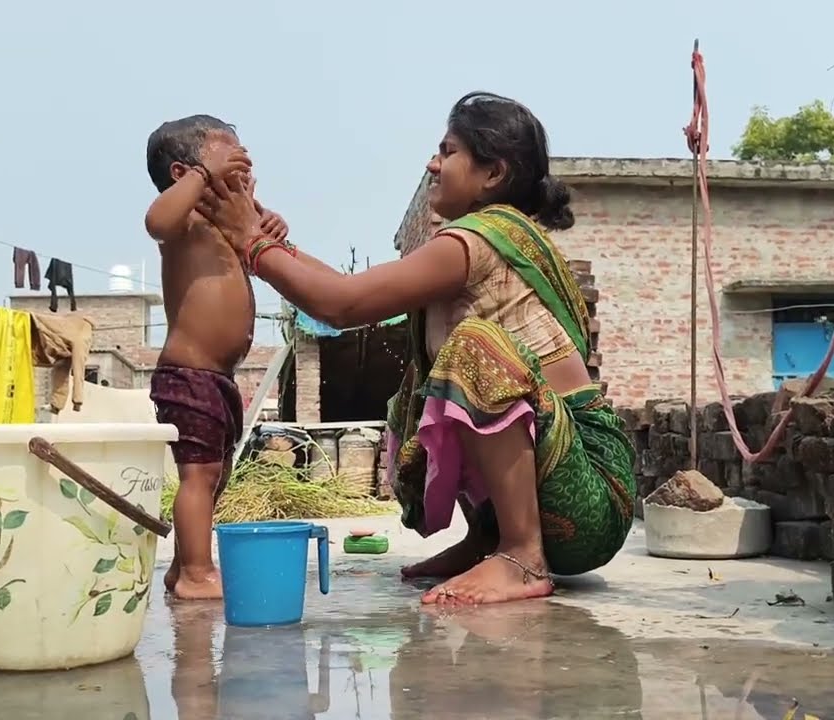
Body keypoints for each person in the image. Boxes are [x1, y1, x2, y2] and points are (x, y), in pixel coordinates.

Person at [197, 92, 637, 605]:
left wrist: (251, 242)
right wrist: (270, 242)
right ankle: (487, 540)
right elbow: (346, 289)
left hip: (591, 504)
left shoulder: (479, 239)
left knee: (474, 350)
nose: (433, 164)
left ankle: (521, 554)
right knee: (425, 381)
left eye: (448, 151)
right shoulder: (476, 240)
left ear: (492, 173)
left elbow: (343, 305)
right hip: (561, 490)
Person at [143, 114, 289, 600]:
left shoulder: (227, 223)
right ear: (185, 174)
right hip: (188, 373)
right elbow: (155, 222)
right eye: (228, 154)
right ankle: (197, 574)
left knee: (216, 473)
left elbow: (271, 253)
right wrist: (207, 180)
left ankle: (182, 567)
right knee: (198, 475)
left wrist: (270, 225)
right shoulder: (183, 220)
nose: (241, 162)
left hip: (220, 377)